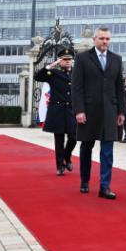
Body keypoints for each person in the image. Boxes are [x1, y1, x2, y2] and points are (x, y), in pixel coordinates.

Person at [71, 27, 125, 200]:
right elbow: (77, 87)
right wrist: (79, 110)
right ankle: (85, 180)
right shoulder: (82, 58)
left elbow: (119, 87)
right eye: (102, 38)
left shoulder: (116, 59)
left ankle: (105, 186)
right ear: (95, 39)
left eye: (107, 39)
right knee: (86, 148)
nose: (105, 42)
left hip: (109, 111)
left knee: (108, 151)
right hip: (88, 111)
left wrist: (121, 111)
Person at [34, 47, 77, 176]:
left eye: (69, 59)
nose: (68, 61)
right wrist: (50, 66)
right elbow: (37, 77)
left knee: (73, 138)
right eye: (65, 59)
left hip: (71, 110)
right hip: (57, 110)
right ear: (60, 61)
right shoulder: (53, 73)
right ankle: (60, 166)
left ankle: (67, 156)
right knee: (59, 140)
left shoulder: (76, 73)